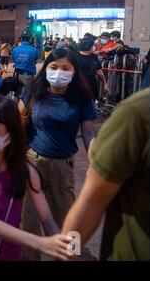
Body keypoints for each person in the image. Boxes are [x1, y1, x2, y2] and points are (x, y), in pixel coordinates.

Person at [0, 95, 71, 261]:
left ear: (10, 134)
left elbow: (47, 220)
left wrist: (61, 247)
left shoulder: (26, 173)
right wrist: (40, 243)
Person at [18, 48, 97, 260]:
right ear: (45, 69)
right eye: (53, 67)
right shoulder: (33, 90)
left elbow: (88, 133)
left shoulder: (81, 97)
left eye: (65, 68)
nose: (59, 72)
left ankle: (69, 257)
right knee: (28, 220)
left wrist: (96, 162)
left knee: (67, 220)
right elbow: (17, 122)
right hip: (32, 161)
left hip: (63, 165)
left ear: (74, 71)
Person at [62, 88, 150, 261]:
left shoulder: (84, 96)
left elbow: (88, 133)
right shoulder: (137, 114)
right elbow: (90, 204)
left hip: (68, 165)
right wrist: (68, 254)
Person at [78, 37, 109, 101]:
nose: (95, 47)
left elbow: (99, 72)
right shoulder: (75, 57)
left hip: (91, 87)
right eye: (94, 45)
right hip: (78, 88)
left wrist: (104, 84)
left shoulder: (94, 57)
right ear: (88, 46)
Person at [12, 29, 39, 95]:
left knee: (16, 94)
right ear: (31, 38)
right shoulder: (34, 50)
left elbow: (14, 60)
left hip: (16, 75)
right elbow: (35, 62)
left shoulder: (15, 49)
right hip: (28, 76)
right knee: (29, 95)